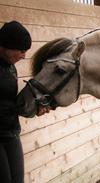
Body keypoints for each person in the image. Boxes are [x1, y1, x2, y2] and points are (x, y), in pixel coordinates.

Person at [0, 21, 50, 183]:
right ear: (6, 46)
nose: (23, 56)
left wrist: (34, 105)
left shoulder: (9, 66)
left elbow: (7, 100)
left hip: (11, 132)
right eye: (21, 51)